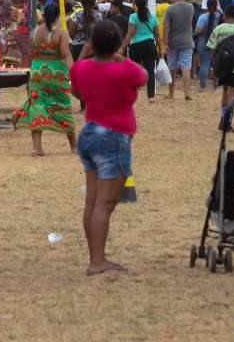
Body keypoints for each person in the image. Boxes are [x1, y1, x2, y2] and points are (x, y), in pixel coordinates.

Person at [70, 20, 144, 275]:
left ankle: (95, 257)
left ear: (92, 43)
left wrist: (87, 50)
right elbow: (142, 77)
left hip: (89, 133)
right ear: (115, 44)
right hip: (113, 136)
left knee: (92, 201)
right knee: (105, 203)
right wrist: (117, 55)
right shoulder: (123, 70)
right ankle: (98, 262)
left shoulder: (82, 68)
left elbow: (75, 85)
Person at [15, 3, 76, 156]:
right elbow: (64, 53)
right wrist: (74, 72)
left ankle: (37, 148)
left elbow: (30, 53)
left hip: (37, 72)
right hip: (56, 73)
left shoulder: (34, 32)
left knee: (37, 107)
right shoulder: (61, 33)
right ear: (56, 17)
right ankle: (74, 147)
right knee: (63, 105)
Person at [206, 2, 234, 133]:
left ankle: (223, 118)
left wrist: (215, 64)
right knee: (232, 94)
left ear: (225, 15)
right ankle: (227, 122)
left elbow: (211, 47)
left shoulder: (219, 29)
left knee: (225, 91)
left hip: (222, 65)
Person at [120, 0, 160, 104]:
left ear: (135, 4)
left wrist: (122, 48)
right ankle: (151, 97)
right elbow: (157, 35)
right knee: (150, 71)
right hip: (150, 44)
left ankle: (133, 93)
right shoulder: (152, 16)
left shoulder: (133, 16)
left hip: (136, 46)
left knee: (134, 71)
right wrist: (160, 49)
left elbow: (130, 34)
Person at [162, 0, 194, 101]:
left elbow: (166, 27)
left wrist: (165, 43)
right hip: (187, 41)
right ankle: (187, 93)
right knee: (186, 67)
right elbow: (190, 23)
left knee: (172, 67)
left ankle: (171, 94)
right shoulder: (190, 7)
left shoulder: (170, 9)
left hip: (173, 41)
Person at [194, 0, 222, 91]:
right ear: (216, 6)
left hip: (203, 41)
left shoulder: (203, 17)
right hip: (217, 43)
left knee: (204, 64)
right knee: (217, 65)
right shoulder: (220, 16)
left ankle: (202, 87)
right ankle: (216, 86)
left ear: (206, 5)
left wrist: (194, 34)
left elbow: (198, 30)